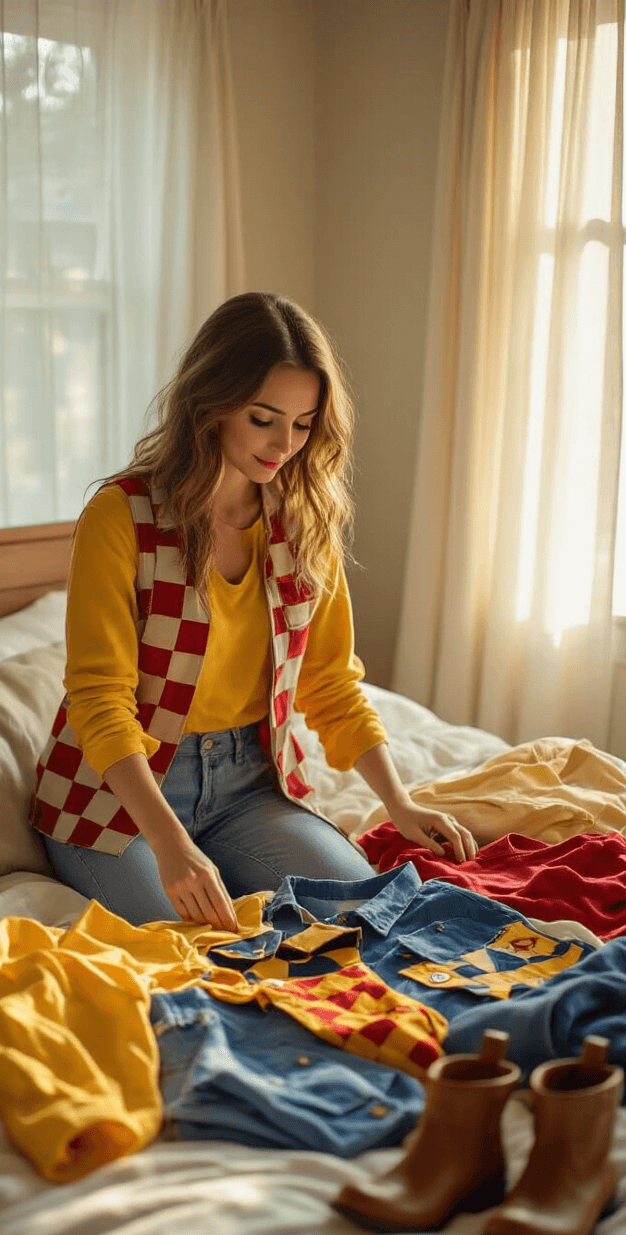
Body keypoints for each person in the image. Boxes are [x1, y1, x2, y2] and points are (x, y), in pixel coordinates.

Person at [31, 292, 477, 930]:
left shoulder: (304, 522)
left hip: (247, 783)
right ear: (210, 402)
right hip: (116, 795)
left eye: (303, 423)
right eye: (263, 418)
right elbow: (98, 697)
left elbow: (330, 682)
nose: (285, 445)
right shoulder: (121, 516)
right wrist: (171, 845)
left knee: (372, 912)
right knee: (186, 949)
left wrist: (399, 804)